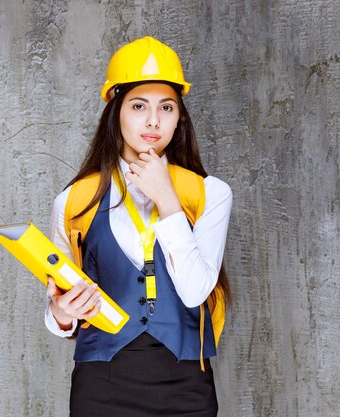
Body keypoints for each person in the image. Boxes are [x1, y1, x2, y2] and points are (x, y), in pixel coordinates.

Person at [44, 36, 232, 417]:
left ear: (180, 117)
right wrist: (62, 312)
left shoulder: (209, 193)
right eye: (138, 106)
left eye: (166, 107)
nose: (152, 121)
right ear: (115, 111)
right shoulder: (74, 200)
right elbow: (59, 315)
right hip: (102, 384)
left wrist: (167, 200)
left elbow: (196, 291)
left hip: (185, 386)